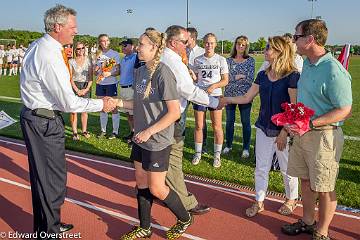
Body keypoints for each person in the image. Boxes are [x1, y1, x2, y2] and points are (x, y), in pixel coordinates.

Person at [19, 5, 115, 239]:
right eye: (72, 26)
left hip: (40, 118)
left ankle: (48, 225)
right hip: (43, 120)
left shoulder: (41, 46)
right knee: (51, 180)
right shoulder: (49, 54)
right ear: (58, 26)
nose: (76, 30)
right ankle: (48, 232)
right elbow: (69, 103)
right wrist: (101, 105)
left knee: (48, 178)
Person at [117, 29, 193, 240]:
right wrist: (118, 103)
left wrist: (149, 131)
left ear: (153, 47)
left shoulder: (163, 73)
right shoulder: (140, 71)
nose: (137, 47)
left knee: (157, 189)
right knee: (141, 183)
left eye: (141, 44)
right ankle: (145, 227)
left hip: (157, 140)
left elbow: (175, 112)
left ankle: (185, 218)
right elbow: (137, 105)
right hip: (141, 139)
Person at [281, 19, 352, 240]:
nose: (293, 40)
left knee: (324, 186)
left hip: (324, 137)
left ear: (310, 39)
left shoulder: (333, 69)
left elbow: (344, 109)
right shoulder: (308, 65)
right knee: (306, 180)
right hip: (303, 135)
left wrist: (310, 124)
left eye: (296, 36)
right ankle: (308, 221)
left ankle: (321, 232)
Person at [221, 36, 300, 217]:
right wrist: (226, 99)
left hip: (283, 132)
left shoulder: (292, 76)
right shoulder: (262, 75)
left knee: (287, 168)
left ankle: (291, 199)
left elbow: (294, 107)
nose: (265, 51)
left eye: (268, 48)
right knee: (261, 167)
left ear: (279, 52)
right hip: (263, 128)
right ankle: (259, 201)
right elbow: (247, 98)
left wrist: (284, 131)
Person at [162, 25, 223, 214]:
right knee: (173, 160)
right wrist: (214, 102)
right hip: (171, 118)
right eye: (185, 41)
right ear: (174, 43)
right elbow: (188, 90)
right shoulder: (173, 60)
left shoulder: (164, 56)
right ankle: (184, 202)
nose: (188, 44)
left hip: (160, 116)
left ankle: (156, 191)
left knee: (158, 158)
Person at [191, 33, 229, 168]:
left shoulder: (221, 60)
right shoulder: (197, 59)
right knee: (199, 126)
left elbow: (225, 80)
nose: (209, 45)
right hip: (200, 95)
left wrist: (214, 86)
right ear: (203, 43)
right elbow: (196, 78)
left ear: (216, 44)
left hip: (216, 95)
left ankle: (217, 155)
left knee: (217, 126)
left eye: (212, 43)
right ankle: (198, 153)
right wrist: (191, 75)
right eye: (207, 43)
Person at [223, 35, 255, 158]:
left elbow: (250, 79)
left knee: (245, 121)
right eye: (238, 44)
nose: (240, 46)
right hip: (229, 95)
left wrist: (235, 78)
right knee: (230, 121)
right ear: (235, 45)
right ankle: (228, 145)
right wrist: (238, 76)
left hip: (245, 96)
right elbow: (225, 78)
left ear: (246, 46)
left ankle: (246, 148)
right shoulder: (228, 60)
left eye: (243, 45)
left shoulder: (250, 60)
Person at [186, 27, 209, 154]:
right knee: (179, 115)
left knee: (200, 120)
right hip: (183, 89)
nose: (183, 39)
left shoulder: (202, 52)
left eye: (186, 37)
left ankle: (203, 146)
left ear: (193, 38)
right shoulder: (181, 51)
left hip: (197, 89)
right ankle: (179, 140)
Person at [95, 34, 121, 139]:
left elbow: (119, 70)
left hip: (111, 84)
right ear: (99, 42)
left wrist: (109, 74)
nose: (105, 43)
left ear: (109, 41)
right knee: (102, 108)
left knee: (113, 107)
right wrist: (97, 71)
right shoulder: (98, 54)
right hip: (100, 84)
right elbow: (96, 70)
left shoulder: (114, 54)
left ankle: (115, 132)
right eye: (102, 41)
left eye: (106, 40)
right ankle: (103, 131)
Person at [69, 41, 93, 140]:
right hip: (75, 86)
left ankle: (84, 130)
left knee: (84, 110)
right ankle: (74, 132)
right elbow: (70, 78)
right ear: (75, 50)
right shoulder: (71, 61)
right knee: (74, 110)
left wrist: (86, 89)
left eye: (82, 48)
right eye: (78, 48)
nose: (81, 50)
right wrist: (77, 90)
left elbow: (91, 77)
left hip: (86, 86)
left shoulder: (88, 61)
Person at [119, 39, 137, 143]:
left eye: (125, 45)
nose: (123, 48)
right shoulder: (124, 58)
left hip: (131, 88)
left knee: (134, 113)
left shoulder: (136, 57)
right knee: (128, 114)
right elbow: (120, 71)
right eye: (122, 46)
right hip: (123, 88)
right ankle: (132, 132)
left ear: (132, 46)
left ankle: (136, 135)